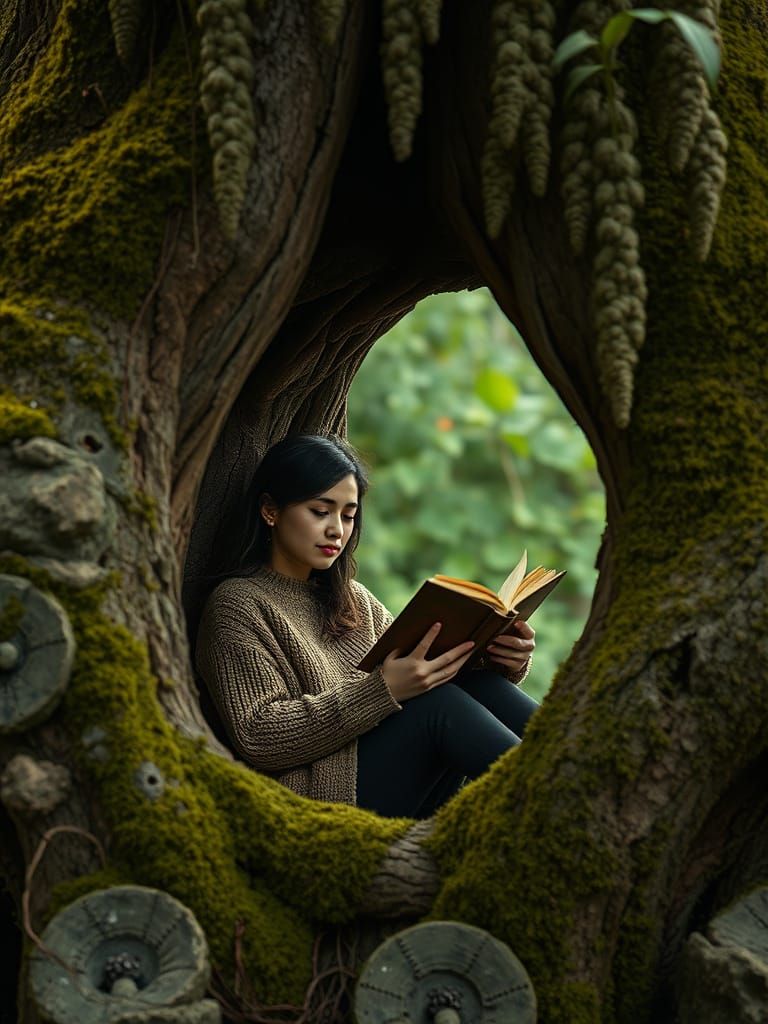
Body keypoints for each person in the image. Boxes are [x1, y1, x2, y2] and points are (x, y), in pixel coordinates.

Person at [195, 433, 539, 818]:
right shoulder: (237, 604)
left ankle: (574, 774)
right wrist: (382, 690)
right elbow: (258, 736)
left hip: (392, 770)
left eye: (348, 515)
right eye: (320, 511)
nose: (337, 530)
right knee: (438, 704)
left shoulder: (353, 598)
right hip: (317, 796)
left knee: (478, 683)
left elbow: (425, 672)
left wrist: (502, 659)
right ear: (270, 510)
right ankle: (548, 803)